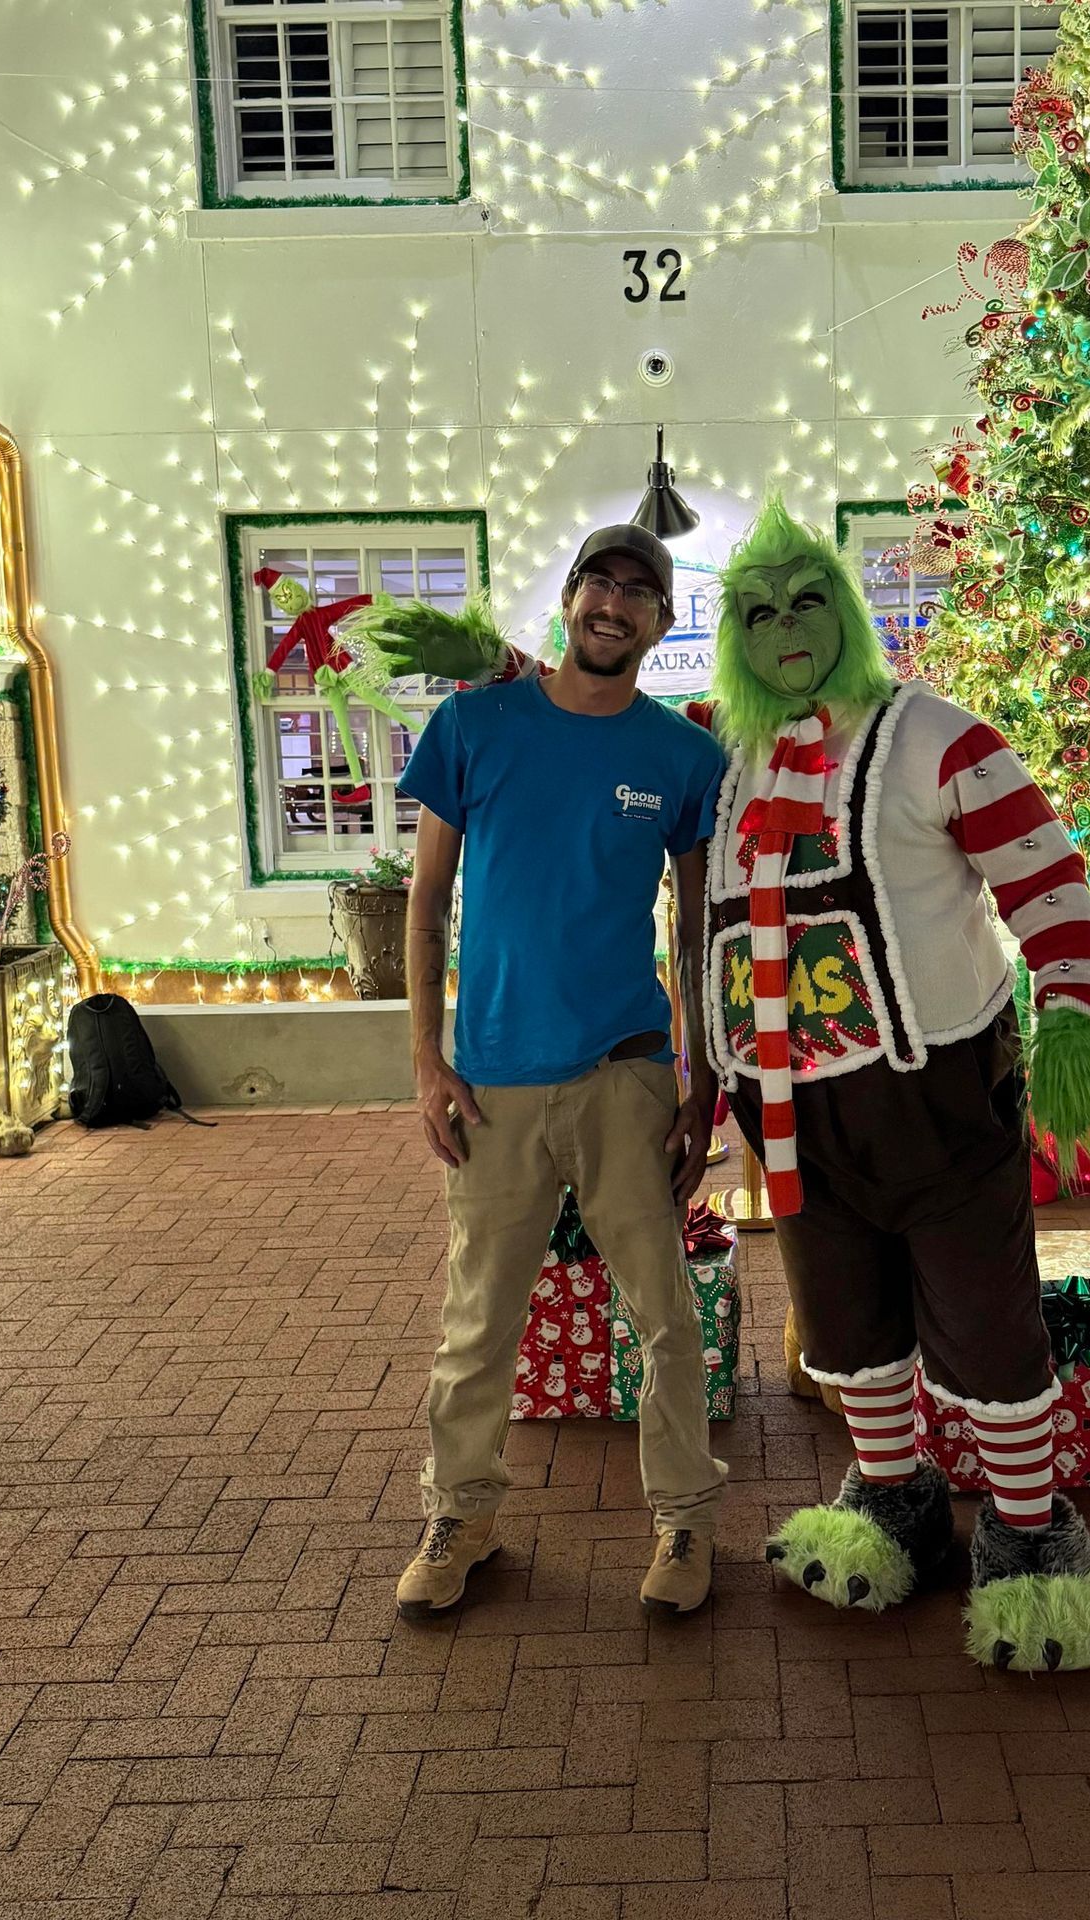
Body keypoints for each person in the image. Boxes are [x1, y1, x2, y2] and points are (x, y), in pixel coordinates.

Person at [348, 499, 1090, 1673]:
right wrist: (491, 662)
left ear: (845, 614)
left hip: (921, 1095)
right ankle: (887, 1499)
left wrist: (1072, 1004)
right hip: (772, 1110)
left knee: (978, 1323)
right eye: (756, 612)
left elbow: (1038, 860)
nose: (783, 630)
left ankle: (1025, 1538)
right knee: (845, 1329)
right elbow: (579, 715)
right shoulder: (720, 747)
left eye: (807, 603)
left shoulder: (911, 738)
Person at [382, 524, 729, 1620]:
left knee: (665, 1317)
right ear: (571, 599)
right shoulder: (475, 726)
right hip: (492, 1082)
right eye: (599, 583)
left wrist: (702, 1071)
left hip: (625, 1074)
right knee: (479, 1319)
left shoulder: (682, 756)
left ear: (662, 623)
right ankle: (462, 1515)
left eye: (641, 591)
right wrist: (427, 1062)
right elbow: (427, 901)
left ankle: (683, 1522)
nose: (615, 604)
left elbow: (697, 924)